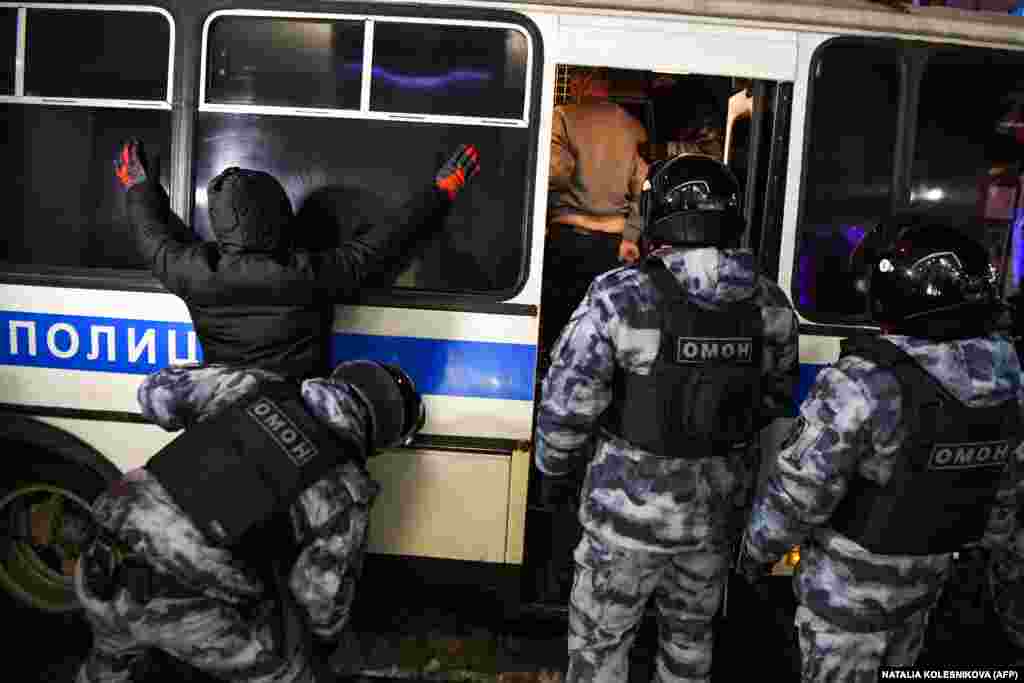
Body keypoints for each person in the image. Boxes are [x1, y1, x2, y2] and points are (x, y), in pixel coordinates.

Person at [534, 153, 799, 683]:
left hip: (623, 521)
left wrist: (554, 474)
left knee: (599, 647)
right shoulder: (770, 304)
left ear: (660, 215)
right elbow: (774, 399)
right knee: (689, 644)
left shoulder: (619, 298)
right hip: (715, 517)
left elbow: (568, 407)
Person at [740, 218, 1024, 681]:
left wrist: (754, 555)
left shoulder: (864, 381)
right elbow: (1005, 494)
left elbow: (800, 493)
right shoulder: (1007, 377)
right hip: (928, 586)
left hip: (847, 599)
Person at [74, 358, 425, 683]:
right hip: (175, 608)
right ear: (380, 436)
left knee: (112, 655)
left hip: (100, 558)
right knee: (291, 674)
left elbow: (154, 395)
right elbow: (321, 608)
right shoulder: (344, 490)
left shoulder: (252, 386)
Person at [115, 138, 480, 379]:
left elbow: (152, 237)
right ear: (280, 215)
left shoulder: (193, 271)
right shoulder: (307, 273)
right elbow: (385, 242)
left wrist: (139, 188)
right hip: (295, 415)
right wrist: (440, 191)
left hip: (222, 414)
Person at [541, 100, 649, 357]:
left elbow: (557, 172)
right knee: (607, 335)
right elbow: (642, 188)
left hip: (568, 240)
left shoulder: (562, 116)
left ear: (581, 81)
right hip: (615, 247)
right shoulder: (629, 123)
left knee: (562, 334)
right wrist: (630, 238)